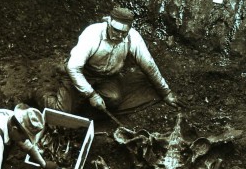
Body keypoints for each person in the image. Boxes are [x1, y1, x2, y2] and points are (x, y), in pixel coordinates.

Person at [33, 6, 180, 116]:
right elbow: (73, 67)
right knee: (61, 112)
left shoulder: (132, 38)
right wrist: (92, 95)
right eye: (115, 30)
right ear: (108, 23)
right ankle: (39, 93)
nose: (118, 35)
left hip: (107, 76)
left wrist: (165, 92)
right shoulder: (92, 34)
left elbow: (149, 65)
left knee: (114, 100)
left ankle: (81, 102)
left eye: (123, 33)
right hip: (83, 72)